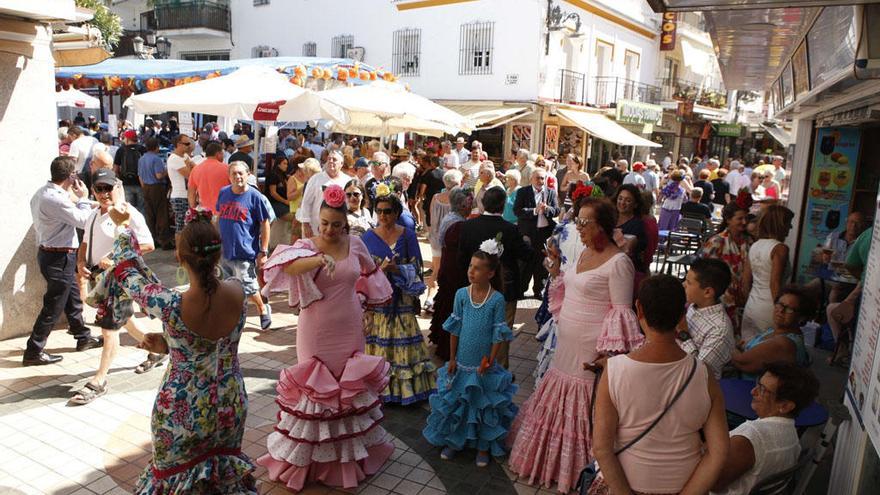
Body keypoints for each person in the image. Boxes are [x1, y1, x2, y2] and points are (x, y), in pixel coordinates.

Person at [96, 203, 258, 493]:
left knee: (174, 479)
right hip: (229, 401)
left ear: (180, 257)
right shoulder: (238, 291)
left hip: (183, 409)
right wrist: (173, 345)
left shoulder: (169, 305)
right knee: (220, 479)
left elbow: (125, 271)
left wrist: (123, 225)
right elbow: (211, 345)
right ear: (218, 253)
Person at [258, 185, 395, 491]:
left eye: (336, 224)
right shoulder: (306, 246)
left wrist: (369, 307)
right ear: (317, 222)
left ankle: (348, 461)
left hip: (350, 327)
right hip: (315, 331)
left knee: (349, 390)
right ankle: (308, 463)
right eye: (324, 224)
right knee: (316, 392)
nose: (329, 230)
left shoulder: (357, 244)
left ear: (346, 223)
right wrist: (319, 260)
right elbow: (283, 266)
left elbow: (371, 274)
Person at [508, 197, 643, 494]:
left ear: (604, 227)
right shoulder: (582, 252)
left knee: (584, 407)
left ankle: (578, 470)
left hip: (590, 351)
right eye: (578, 221)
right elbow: (567, 286)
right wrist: (556, 267)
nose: (578, 227)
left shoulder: (619, 262)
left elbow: (621, 313)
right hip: (565, 345)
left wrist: (607, 354)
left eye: (585, 223)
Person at [590, 274, 728, 495]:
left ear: (639, 309)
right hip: (684, 484)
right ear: (682, 315)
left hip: (625, 485)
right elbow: (719, 452)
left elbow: (602, 448)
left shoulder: (614, 371)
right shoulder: (703, 374)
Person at [423, 247, 518, 467]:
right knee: (459, 402)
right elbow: (455, 329)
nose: (471, 271)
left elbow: (498, 333)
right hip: (462, 360)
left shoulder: (496, 300)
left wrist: (491, 360)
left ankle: (483, 446)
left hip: (483, 363)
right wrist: (453, 357)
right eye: (470, 267)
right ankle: (455, 441)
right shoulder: (461, 295)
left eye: (477, 268)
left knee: (482, 404)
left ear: (490, 274)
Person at [69, 169, 159, 405]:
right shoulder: (93, 213)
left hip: (119, 280)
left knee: (109, 329)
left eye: (108, 188)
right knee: (126, 322)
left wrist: (113, 256)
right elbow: (85, 243)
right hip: (100, 279)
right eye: (99, 188)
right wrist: (81, 263)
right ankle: (160, 350)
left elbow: (148, 244)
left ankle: (99, 381)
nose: (104, 193)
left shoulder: (127, 213)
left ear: (118, 187)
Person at [24, 156, 103, 366]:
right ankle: (34, 349)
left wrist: (88, 201)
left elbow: (69, 207)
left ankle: (83, 336)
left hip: (57, 255)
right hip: (57, 256)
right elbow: (83, 220)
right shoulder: (55, 198)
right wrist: (85, 197)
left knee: (72, 298)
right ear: (71, 176)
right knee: (54, 305)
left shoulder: (45, 193)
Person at [362, 193, 437, 404]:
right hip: (378, 300)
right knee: (378, 340)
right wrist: (379, 269)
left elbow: (417, 269)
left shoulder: (408, 235)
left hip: (402, 298)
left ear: (397, 213)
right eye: (379, 211)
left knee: (405, 340)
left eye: (388, 211)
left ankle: (405, 391)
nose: (383, 215)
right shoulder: (366, 238)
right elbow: (361, 272)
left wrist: (398, 269)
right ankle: (380, 387)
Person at [712, 362, 818, 494]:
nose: (753, 391)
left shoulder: (751, 437)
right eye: (758, 384)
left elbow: (711, 483)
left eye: (762, 389)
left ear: (785, 406)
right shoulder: (792, 434)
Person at [457, 187, 533, 368]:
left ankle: (474, 366)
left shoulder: (468, 226)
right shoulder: (510, 229)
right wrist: (527, 243)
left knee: (475, 329)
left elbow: (461, 258)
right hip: (504, 288)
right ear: (503, 205)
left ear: (484, 203)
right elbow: (527, 255)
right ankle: (497, 372)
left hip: (475, 288)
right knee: (501, 332)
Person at [217, 161, 272, 330]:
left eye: (241, 173)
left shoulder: (256, 197)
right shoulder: (223, 192)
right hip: (223, 250)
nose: (237, 177)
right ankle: (232, 314)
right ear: (229, 176)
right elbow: (219, 216)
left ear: (248, 175)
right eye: (233, 173)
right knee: (226, 285)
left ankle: (263, 308)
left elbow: (265, 223)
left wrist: (264, 250)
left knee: (248, 286)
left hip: (245, 250)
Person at [429, 187, 474, 360]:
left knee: (447, 304)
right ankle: (449, 348)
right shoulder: (459, 225)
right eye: (469, 204)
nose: (471, 207)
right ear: (463, 206)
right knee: (452, 308)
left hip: (448, 268)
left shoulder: (451, 218)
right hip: (454, 272)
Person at [733, 286, 814, 380]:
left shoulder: (784, 343)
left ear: (801, 317)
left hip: (751, 390)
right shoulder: (775, 330)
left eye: (789, 309)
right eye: (779, 304)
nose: (781, 310)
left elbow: (741, 362)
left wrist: (732, 347)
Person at [701, 193, 754, 333]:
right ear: (728, 220)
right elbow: (705, 273)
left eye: (746, 218)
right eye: (739, 218)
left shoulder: (749, 241)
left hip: (744, 301)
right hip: (721, 303)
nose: (744, 222)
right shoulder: (716, 241)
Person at [741, 205, 794, 342]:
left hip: (752, 305)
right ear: (780, 224)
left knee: (749, 349)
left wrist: (749, 302)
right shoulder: (780, 249)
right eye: (788, 223)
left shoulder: (755, 245)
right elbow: (774, 283)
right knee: (767, 352)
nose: (791, 227)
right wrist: (782, 310)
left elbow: (745, 281)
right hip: (770, 308)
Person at [679, 258, 735, 379]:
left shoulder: (719, 330)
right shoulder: (694, 306)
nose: (683, 284)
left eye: (688, 282)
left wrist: (684, 334)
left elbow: (699, 372)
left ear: (707, 292)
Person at [514, 168, 560, 297]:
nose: (540, 181)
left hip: (544, 233)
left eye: (542, 178)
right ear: (531, 179)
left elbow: (556, 210)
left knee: (542, 264)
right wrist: (534, 210)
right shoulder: (523, 192)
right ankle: (521, 289)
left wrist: (547, 209)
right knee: (526, 263)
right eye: (538, 178)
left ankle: (539, 290)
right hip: (528, 233)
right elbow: (517, 211)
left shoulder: (550, 193)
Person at [426, 168, 463, 310]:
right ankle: (437, 300)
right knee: (446, 271)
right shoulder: (457, 199)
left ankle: (430, 298)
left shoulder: (435, 197)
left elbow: (431, 217)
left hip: (435, 238)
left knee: (436, 269)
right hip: (449, 241)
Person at [297, 150, 350, 238]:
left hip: (337, 230)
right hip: (314, 229)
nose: (331, 161)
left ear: (341, 163)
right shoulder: (315, 179)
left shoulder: (347, 180)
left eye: (334, 159)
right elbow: (306, 202)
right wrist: (306, 225)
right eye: (329, 159)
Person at [137, 137, 172, 249]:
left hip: (146, 186)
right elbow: (159, 175)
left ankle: (152, 238)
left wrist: (144, 187)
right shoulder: (156, 159)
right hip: (157, 187)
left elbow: (140, 176)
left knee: (149, 214)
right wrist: (167, 171)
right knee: (161, 214)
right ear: (156, 147)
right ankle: (164, 240)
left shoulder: (141, 159)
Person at [613, 184, 648, 278]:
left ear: (635, 204)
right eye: (620, 198)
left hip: (624, 271)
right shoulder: (610, 219)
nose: (622, 203)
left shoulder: (637, 225)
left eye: (628, 200)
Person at [166, 134, 196, 236]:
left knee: (188, 225)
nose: (189, 146)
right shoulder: (174, 158)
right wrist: (188, 163)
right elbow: (189, 175)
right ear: (179, 144)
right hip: (179, 196)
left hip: (187, 195)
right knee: (181, 226)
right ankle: (179, 250)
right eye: (187, 143)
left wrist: (189, 163)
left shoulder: (185, 156)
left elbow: (196, 170)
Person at [188, 142, 228, 215]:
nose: (223, 156)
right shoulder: (226, 169)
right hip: (224, 212)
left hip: (204, 212)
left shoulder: (196, 169)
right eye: (222, 154)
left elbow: (191, 192)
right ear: (218, 154)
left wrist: (193, 208)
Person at [113, 129, 145, 212]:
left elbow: (115, 169)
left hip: (126, 183)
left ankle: (130, 225)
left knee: (128, 209)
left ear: (127, 139)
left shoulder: (121, 150)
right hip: (141, 183)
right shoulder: (143, 149)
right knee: (142, 208)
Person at [266, 154, 291, 218]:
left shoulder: (284, 175)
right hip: (274, 203)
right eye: (284, 163)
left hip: (283, 202)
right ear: (278, 164)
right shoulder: (273, 175)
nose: (286, 166)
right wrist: (285, 201)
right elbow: (273, 193)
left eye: (287, 164)